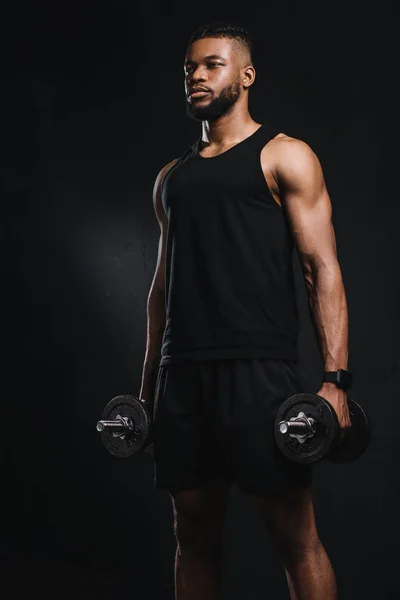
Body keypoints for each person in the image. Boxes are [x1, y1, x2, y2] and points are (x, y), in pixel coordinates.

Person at [139, 22, 352, 600]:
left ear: (246, 75)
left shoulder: (285, 156)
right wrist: (148, 385)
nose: (197, 77)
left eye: (212, 65)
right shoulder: (172, 179)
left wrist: (334, 380)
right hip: (182, 377)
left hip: (259, 371)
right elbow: (163, 285)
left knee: (292, 534)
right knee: (192, 531)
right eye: (189, 69)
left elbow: (321, 268)